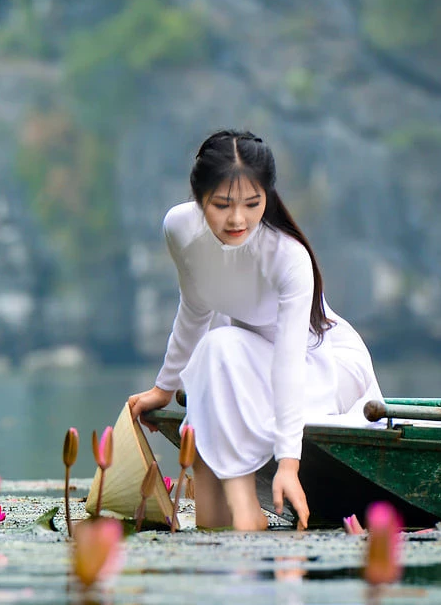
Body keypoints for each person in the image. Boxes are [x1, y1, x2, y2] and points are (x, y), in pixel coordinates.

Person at [126, 130, 382, 530]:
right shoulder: (179, 228)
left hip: (322, 366)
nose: (237, 220)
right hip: (243, 362)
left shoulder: (287, 257)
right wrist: (164, 386)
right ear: (198, 197)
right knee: (214, 355)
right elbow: (195, 305)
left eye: (252, 203)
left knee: (218, 348)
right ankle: (226, 522)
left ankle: (244, 515)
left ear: (268, 195)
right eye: (222, 205)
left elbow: (288, 365)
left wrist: (288, 463)